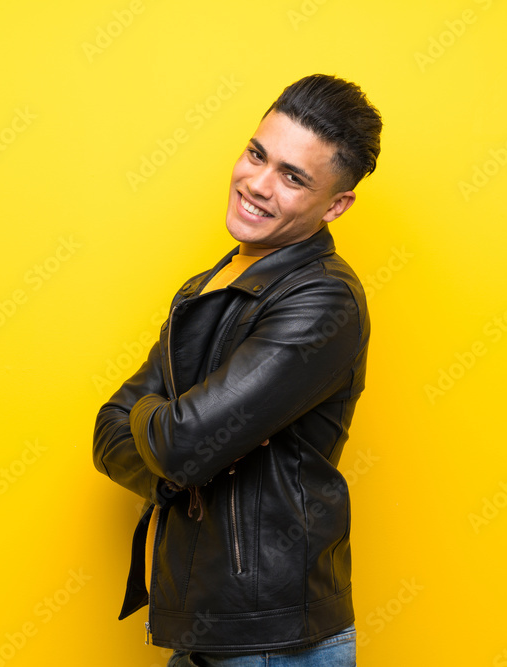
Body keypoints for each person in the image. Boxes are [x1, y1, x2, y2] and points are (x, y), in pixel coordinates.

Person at [93, 73, 382, 665]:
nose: (257, 184)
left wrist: (170, 438)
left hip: (274, 640)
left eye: (292, 177)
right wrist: (175, 446)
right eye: (256, 154)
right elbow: (108, 431)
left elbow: (180, 445)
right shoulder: (209, 285)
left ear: (336, 205)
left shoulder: (323, 301)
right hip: (205, 629)